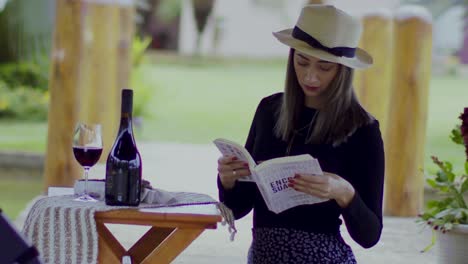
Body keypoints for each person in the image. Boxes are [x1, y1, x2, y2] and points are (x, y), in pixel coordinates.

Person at [216, 4, 385, 264]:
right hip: (264, 254)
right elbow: (238, 209)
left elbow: (370, 235)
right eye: (301, 61)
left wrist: (344, 193)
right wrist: (228, 181)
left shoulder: (362, 129)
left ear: (342, 70)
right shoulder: (269, 110)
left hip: (322, 256)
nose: (310, 76)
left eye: (324, 68)